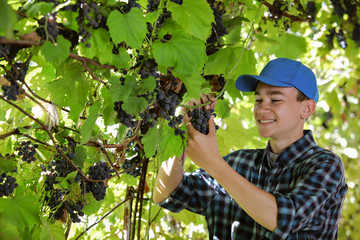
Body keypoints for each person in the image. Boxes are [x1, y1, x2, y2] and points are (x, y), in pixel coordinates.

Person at [153, 58, 348, 239]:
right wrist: (182, 127)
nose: (262, 109)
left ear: (307, 109)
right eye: (258, 100)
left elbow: (283, 221)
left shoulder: (326, 165)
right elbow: (167, 194)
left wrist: (214, 163)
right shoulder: (239, 162)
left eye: (275, 100)